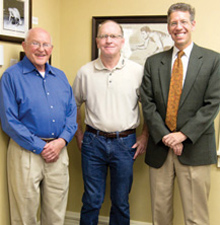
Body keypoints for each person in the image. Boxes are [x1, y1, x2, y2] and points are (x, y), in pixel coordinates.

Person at [140, 2, 220, 225]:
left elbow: (212, 104)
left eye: (183, 22)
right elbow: (147, 103)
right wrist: (167, 136)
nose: (178, 27)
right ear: (168, 27)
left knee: (196, 218)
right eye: (173, 23)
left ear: (193, 24)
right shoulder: (153, 62)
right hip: (160, 149)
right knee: (160, 216)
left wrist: (182, 135)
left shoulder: (213, 60)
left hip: (195, 150)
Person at [72, 20, 148, 225]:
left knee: (121, 201)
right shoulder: (85, 72)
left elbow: (150, 107)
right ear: (97, 41)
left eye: (113, 36)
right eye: (104, 36)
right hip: (92, 142)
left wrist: (144, 136)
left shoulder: (137, 71)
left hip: (125, 143)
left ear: (122, 41)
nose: (108, 40)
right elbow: (74, 105)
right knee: (91, 200)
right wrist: (79, 134)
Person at [0, 27, 78, 225]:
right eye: (35, 43)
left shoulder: (60, 77)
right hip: (25, 153)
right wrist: (41, 146)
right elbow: (9, 121)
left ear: (51, 48)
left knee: (56, 214)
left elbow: (71, 114)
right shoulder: (11, 77)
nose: (41, 49)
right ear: (24, 46)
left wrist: (61, 142)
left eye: (46, 45)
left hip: (58, 152)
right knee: (24, 215)